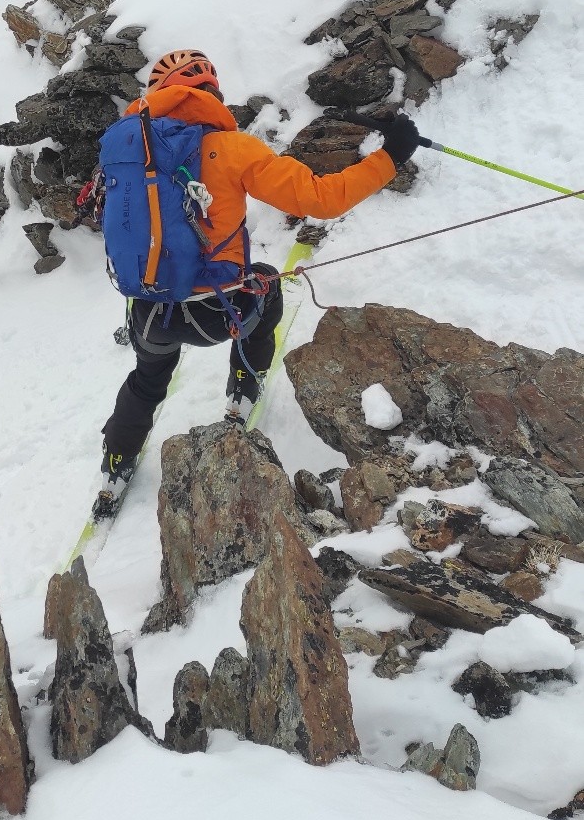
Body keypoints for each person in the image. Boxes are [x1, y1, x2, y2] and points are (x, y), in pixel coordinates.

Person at [98, 48, 420, 510]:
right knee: (266, 283)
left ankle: (115, 460)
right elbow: (322, 199)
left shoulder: (125, 151)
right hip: (220, 313)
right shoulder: (233, 149)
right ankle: (243, 388)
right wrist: (392, 155)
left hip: (151, 314)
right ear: (210, 95)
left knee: (147, 379)